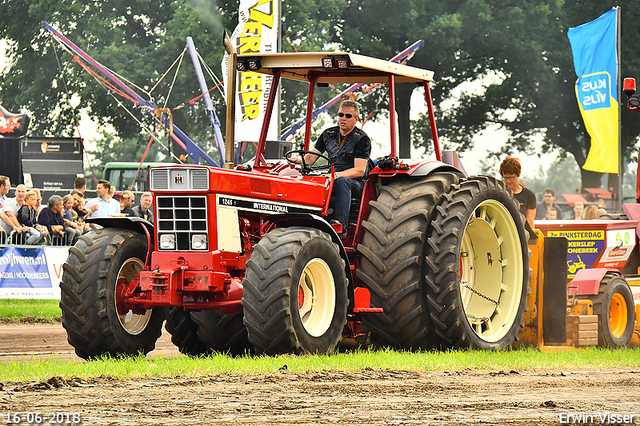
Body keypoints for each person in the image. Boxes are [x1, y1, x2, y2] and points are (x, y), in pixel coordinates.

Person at [287, 100, 371, 235]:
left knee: (342, 181)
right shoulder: (328, 134)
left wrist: (335, 175)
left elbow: (359, 171)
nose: (343, 118)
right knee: (311, 179)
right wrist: (297, 160)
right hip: (333, 178)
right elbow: (310, 159)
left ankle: (340, 226)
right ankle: (304, 220)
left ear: (356, 119)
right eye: (341, 114)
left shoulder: (362, 139)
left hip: (356, 183)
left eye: (348, 116)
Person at [499, 156, 536, 228]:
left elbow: (530, 222)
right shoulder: (500, 193)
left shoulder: (529, 196)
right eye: (505, 178)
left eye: (511, 177)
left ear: (518, 174)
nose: (508, 181)